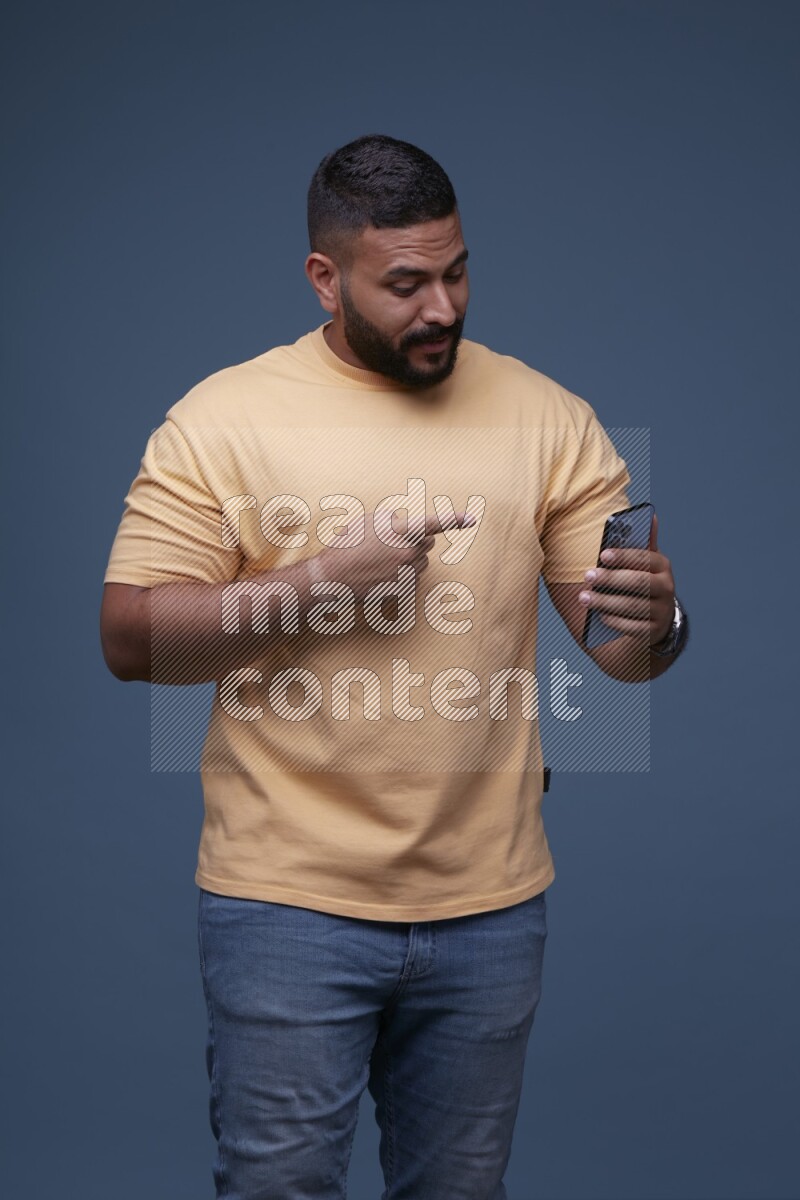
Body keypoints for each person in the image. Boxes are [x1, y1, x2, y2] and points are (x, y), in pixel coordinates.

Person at [100, 134, 688, 1200]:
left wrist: (660, 621)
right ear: (326, 279)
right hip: (285, 903)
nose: (443, 308)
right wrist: (326, 576)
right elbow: (130, 641)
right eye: (404, 283)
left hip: (490, 907)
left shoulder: (548, 418)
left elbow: (614, 657)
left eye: (456, 270)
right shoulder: (221, 419)